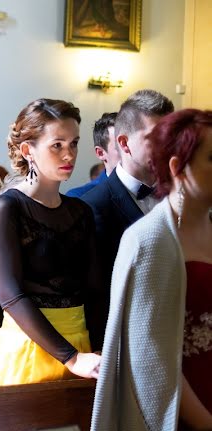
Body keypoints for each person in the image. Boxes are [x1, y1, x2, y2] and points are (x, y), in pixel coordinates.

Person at [90, 109, 212, 431]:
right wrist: (205, 424)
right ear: (178, 167)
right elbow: (151, 359)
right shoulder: (149, 239)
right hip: (183, 413)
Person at [0, 98, 104, 387]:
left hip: (84, 349)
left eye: (74, 143)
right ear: (27, 150)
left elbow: (95, 290)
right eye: (57, 145)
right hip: (28, 347)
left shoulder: (80, 211)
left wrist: (97, 348)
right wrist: (70, 357)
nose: (68, 154)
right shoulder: (7, 209)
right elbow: (10, 296)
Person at [82, 91, 174, 311]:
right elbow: (96, 291)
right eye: (155, 137)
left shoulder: (180, 195)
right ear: (124, 143)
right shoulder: (93, 206)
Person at [66, 112, 120, 198]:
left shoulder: (148, 186)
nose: (130, 150)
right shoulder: (81, 197)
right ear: (100, 153)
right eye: (120, 145)